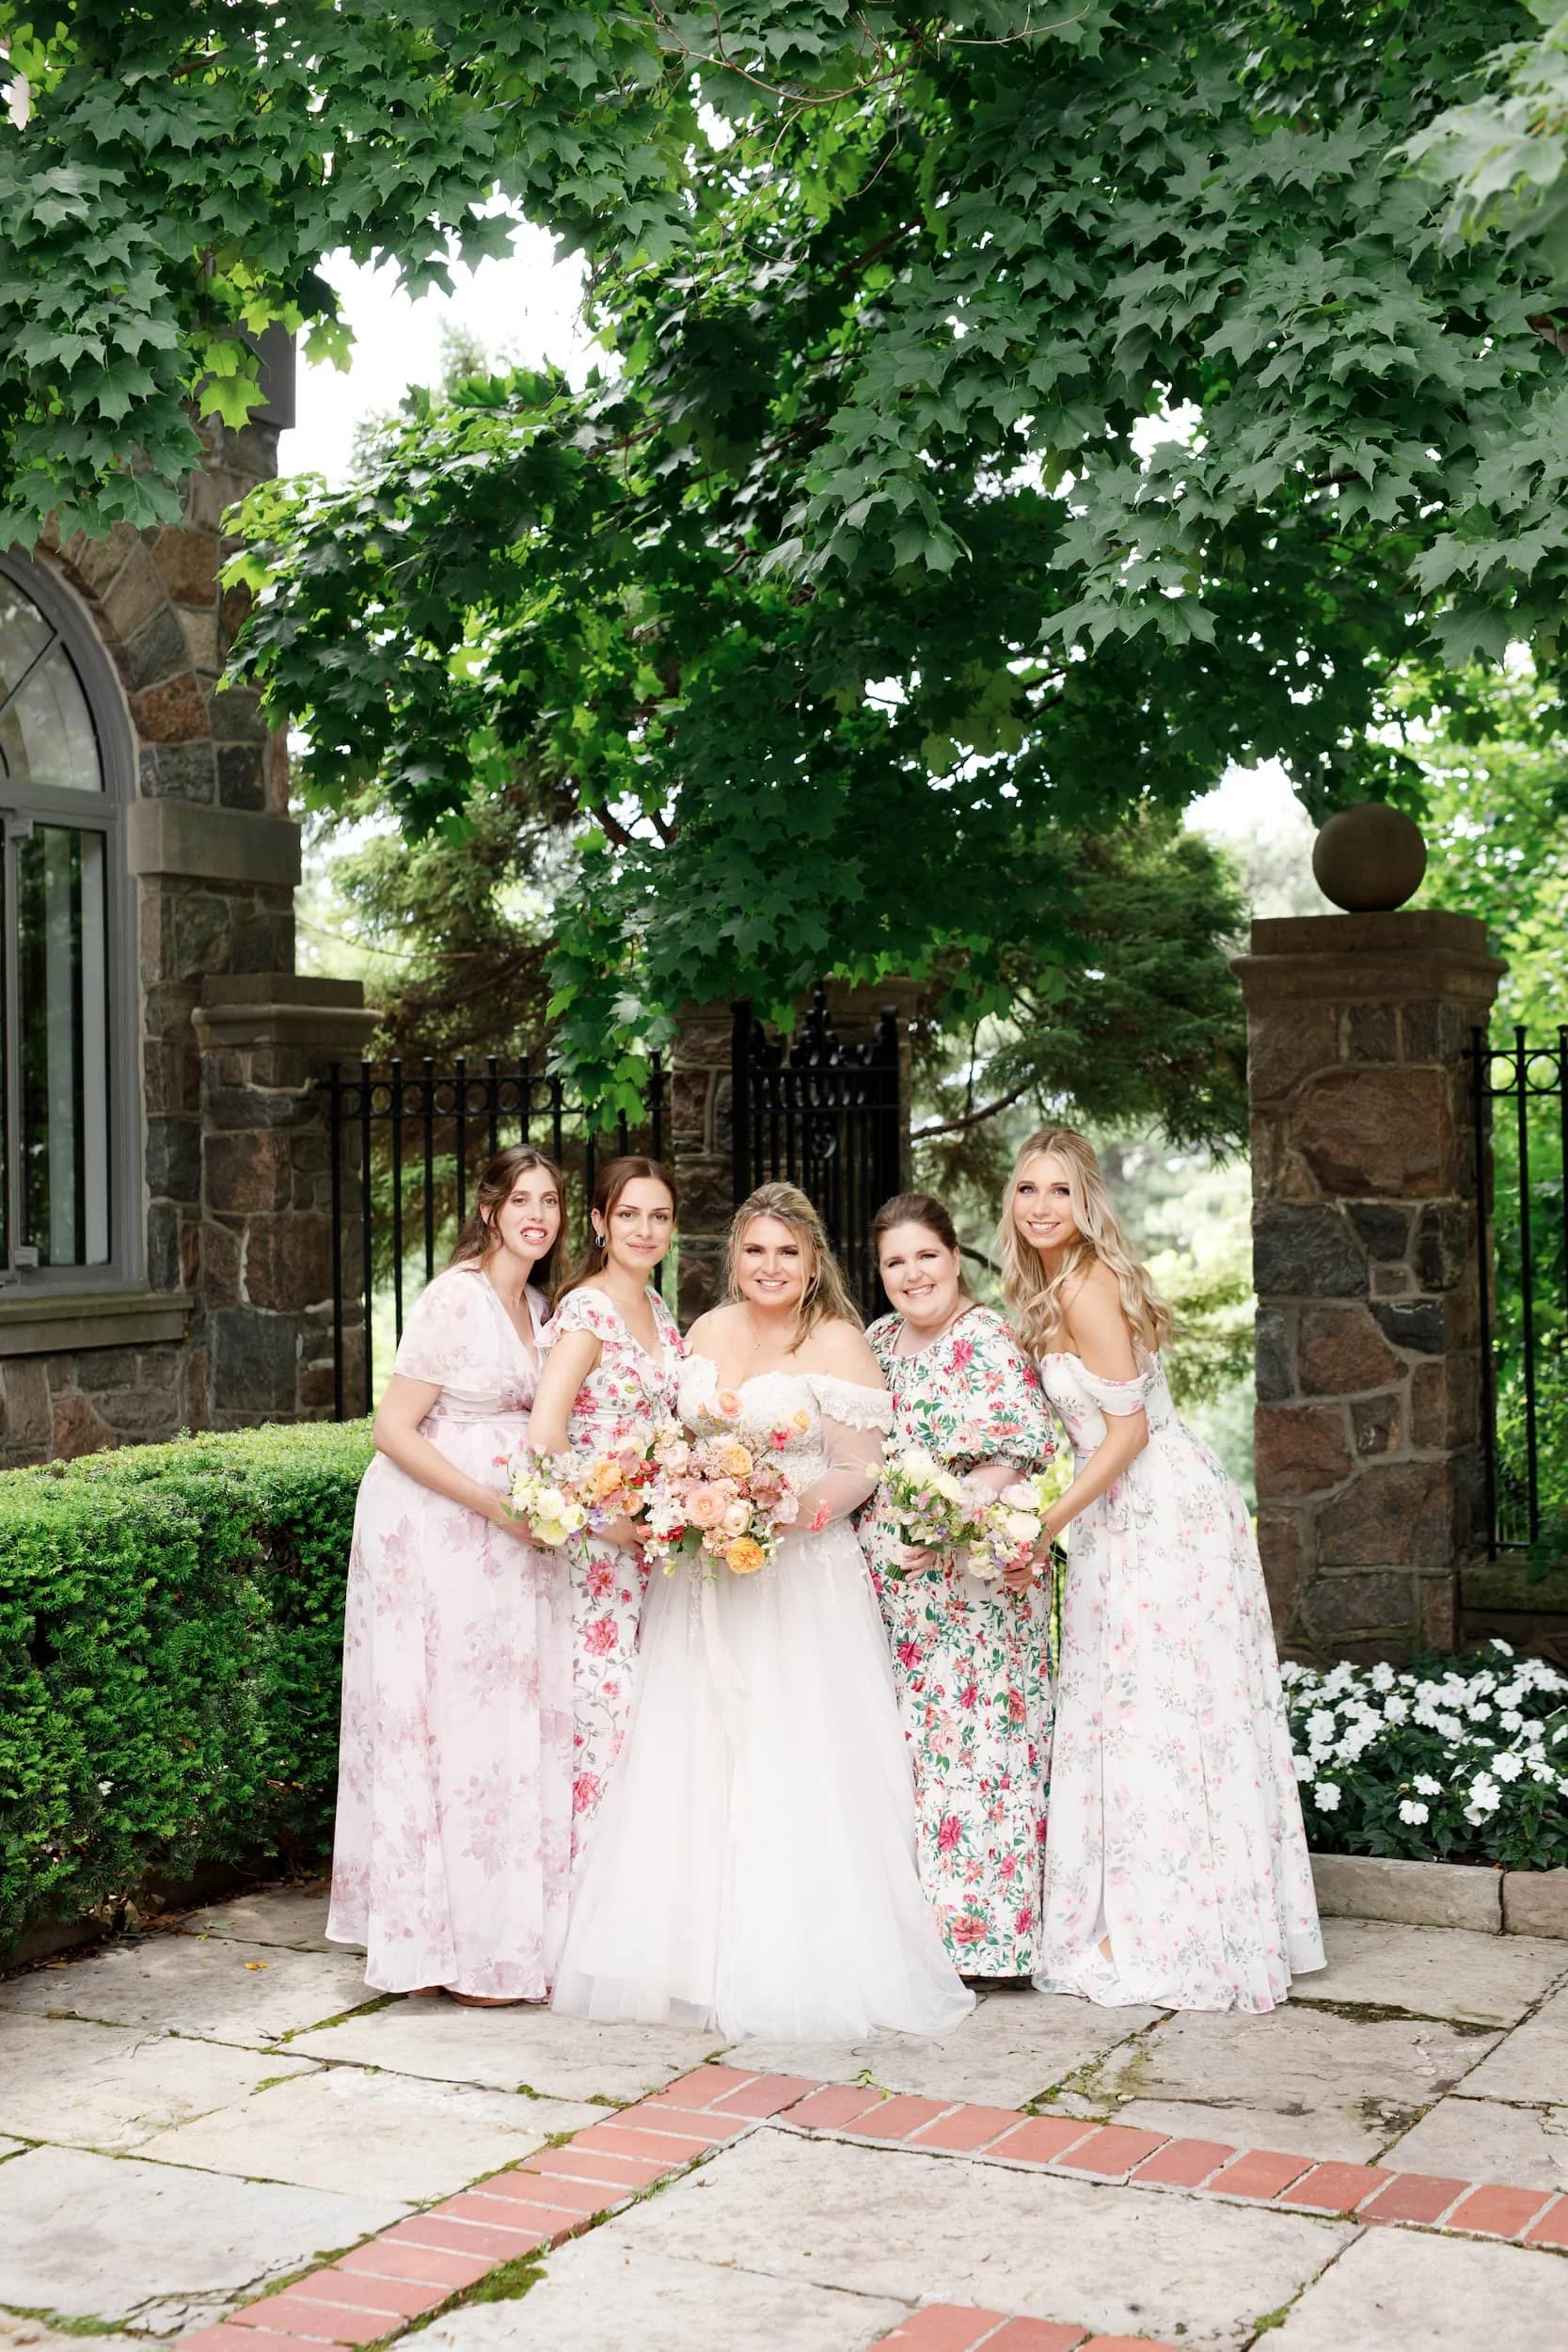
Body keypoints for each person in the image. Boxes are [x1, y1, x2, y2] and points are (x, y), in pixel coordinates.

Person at [551, 1182, 974, 2041]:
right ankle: (687, 1957)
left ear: (814, 1261)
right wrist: (687, 1493)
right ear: (732, 1259)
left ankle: (791, 1960)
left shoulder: (841, 1344)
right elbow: (671, 1439)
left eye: (787, 1251)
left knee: (791, 1760)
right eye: (754, 1250)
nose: (769, 1266)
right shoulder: (702, 1333)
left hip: (799, 1581)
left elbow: (860, 1469)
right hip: (703, 1580)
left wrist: (785, 1511)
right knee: (694, 1755)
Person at [1001, 1127, 1324, 2014]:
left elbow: (1128, 1429)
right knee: (1139, 1704)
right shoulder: (1052, 1286)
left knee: (1160, 1708)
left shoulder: (1089, 1286)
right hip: (1121, 1516)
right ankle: (1152, 1910)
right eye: (1026, 1189)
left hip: (1155, 1513)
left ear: (1086, 1201)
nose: (1039, 1207)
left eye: (1058, 1191)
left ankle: (1163, 1926)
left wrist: (1045, 1524)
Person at [327, 1146, 573, 2005]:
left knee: (497, 1723)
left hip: (509, 1535)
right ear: (489, 1207)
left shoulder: (540, 1306)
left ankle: (497, 1927)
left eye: (549, 1200)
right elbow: (393, 1430)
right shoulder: (453, 1299)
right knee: (446, 1715)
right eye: (522, 1199)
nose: (536, 1214)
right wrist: (490, 1503)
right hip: (436, 1529)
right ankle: (437, 1936)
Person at [862, 1192, 1057, 1982]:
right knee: (915, 1759)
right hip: (892, 1595)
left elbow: (1017, 1449)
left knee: (982, 1756)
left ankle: (991, 1944)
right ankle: (924, 1937)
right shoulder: (876, 1342)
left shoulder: (987, 1339)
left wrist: (946, 1520)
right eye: (894, 1262)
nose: (912, 1275)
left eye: (925, 1256)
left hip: (973, 1587)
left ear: (953, 1255)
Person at [528, 1156, 682, 1858]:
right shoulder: (588, 1311)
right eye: (628, 1215)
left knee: (647, 1732)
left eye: (658, 1216)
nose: (643, 1230)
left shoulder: (655, 1309)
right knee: (601, 1722)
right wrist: (602, 1519)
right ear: (597, 1223)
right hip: (595, 1556)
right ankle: (574, 1925)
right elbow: (545, 1434)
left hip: (650, 1554)